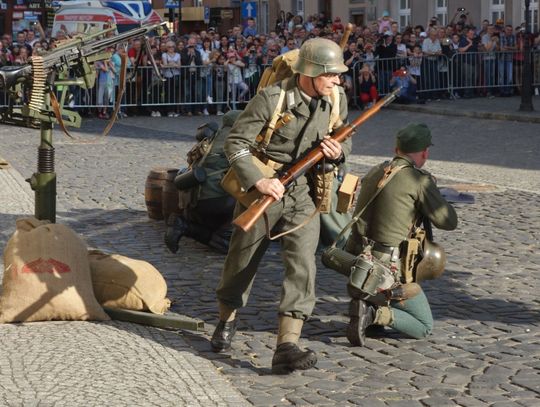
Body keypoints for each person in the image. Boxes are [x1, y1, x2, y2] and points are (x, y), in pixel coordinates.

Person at [210, 38, 350, 374]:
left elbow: (344, 137)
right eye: (331, 74)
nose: (337, 81)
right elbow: (236, 144)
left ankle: (287, 344)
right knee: (242, 260)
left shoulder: (335, 100)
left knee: (303, 265)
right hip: (264, 190)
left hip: (304, 192)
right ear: (312, 72)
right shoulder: (272, 99)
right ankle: (226, 317)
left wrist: (337, 154)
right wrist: (258, 181)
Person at [344, 123, 457, 346]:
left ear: (397, 149)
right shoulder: (418, 180)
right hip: (387, 268)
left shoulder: (376, 171)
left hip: (357, 262)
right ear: (425, 152)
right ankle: (374, 316)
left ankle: (371, 303)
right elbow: (448, 221)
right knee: (424, 326)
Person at [164, 111, 241, 254]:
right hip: (212, 200)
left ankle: (183, 226)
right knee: (253, 196)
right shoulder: (239, 139)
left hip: (191, 197)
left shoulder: (213, 136)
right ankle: (223, 238)